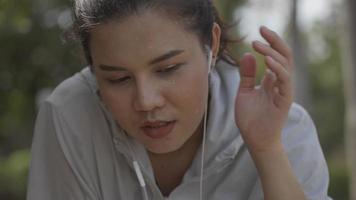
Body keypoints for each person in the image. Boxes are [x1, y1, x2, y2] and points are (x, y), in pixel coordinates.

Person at [27, 0, 331, 199]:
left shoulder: (284, 129)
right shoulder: (69, 116)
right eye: (118, 79)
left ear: (210, 43)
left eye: (168, 69)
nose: (146, 102)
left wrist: (267, 151)